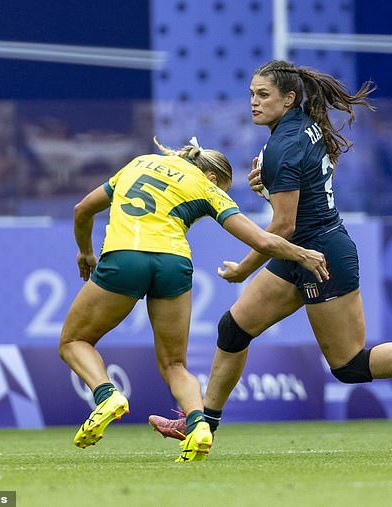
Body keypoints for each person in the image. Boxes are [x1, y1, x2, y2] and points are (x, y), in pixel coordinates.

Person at [148, 60, 392, 442]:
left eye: (264, 95)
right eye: (251, 94)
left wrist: (244, 269)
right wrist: (273, 186)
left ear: (289, 98)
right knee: (234, 328)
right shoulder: (299, 128)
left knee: (350, 365)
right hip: (299, 253)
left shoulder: (283, 145)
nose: (254, 103)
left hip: (322, 255)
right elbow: (299, 195)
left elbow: (282, 226)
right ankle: (201, 425)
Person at [58, 135, 329, 462]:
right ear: (214, 178)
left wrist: (86, 252)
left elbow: (82, 209)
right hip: (174, 263)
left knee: (74, 341)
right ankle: (199, 424)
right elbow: (262, 240)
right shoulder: (206, 187)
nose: (222, 193)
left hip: (125, 255)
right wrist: (302, 254)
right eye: (224, 189)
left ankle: (107, 395)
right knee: (175, 364)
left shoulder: (139, 163)